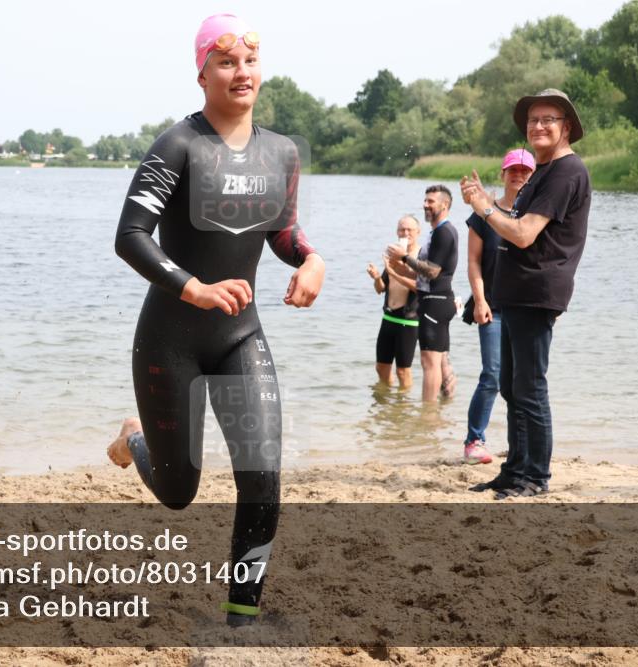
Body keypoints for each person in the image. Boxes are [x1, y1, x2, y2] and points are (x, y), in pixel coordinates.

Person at [106, 14, 325, 626]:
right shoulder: (179, 144)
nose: (241, 72)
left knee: (262, 476)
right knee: (179, 493)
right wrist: (193, 287)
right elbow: (130, 237)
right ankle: (134, 438)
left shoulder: (281, 152)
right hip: (170, 338)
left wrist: (311, 259)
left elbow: (281, 231)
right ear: (202, 73)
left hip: (240, 335)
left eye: (250, 60)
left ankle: (241, 621)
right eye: (226, 61)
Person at [460, 88, 591, 498]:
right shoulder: (541, 172)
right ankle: (514, 470)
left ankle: (535, 476)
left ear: (565, 126)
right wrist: (487, 204)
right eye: (533, 120)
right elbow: (512, 222)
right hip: (516, 292)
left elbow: (523, 233)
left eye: (548, 119)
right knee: (510, 386)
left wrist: (483, 207)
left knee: (530, 387)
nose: (538, 126)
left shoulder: (568, 171)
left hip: (538, 290)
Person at [461, 149, 535, 465]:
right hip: (493, 306)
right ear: (503, 174)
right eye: (512, 170)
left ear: (533, 176)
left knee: (523, 379)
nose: (518, 175)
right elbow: (474, 261)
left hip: (527, 308)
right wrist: (479, 300)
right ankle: (474, 440)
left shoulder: (536, 213)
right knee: (492, 374)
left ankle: (520, 444)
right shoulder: (483, 213)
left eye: (524, 171)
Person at [386, 186, 458, 402]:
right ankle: (440, 411)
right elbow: (427, 271)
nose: (426, 205)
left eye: (431, 201)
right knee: (438, 361)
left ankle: (428, 415)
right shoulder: (437, 232)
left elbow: (434, 272)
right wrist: (400, 267)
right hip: (436, 302)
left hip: (435, 301)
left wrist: (405, 258)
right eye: (425, 200)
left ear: (444, 205)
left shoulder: (444, 232)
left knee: (429, 362)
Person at [367, 215, 421, 389]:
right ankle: (387, 406)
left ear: (417, 232)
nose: (405, 233)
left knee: (403, 371)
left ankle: (403, 405)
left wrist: (400, 271)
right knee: (381, 367)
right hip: (388, 318)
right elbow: (380, 288)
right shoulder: (393, 254)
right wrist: (376, 277)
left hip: (408, 320)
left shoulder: (420, 256)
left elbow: (420, 288)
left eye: (409, 230)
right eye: (401, 229)